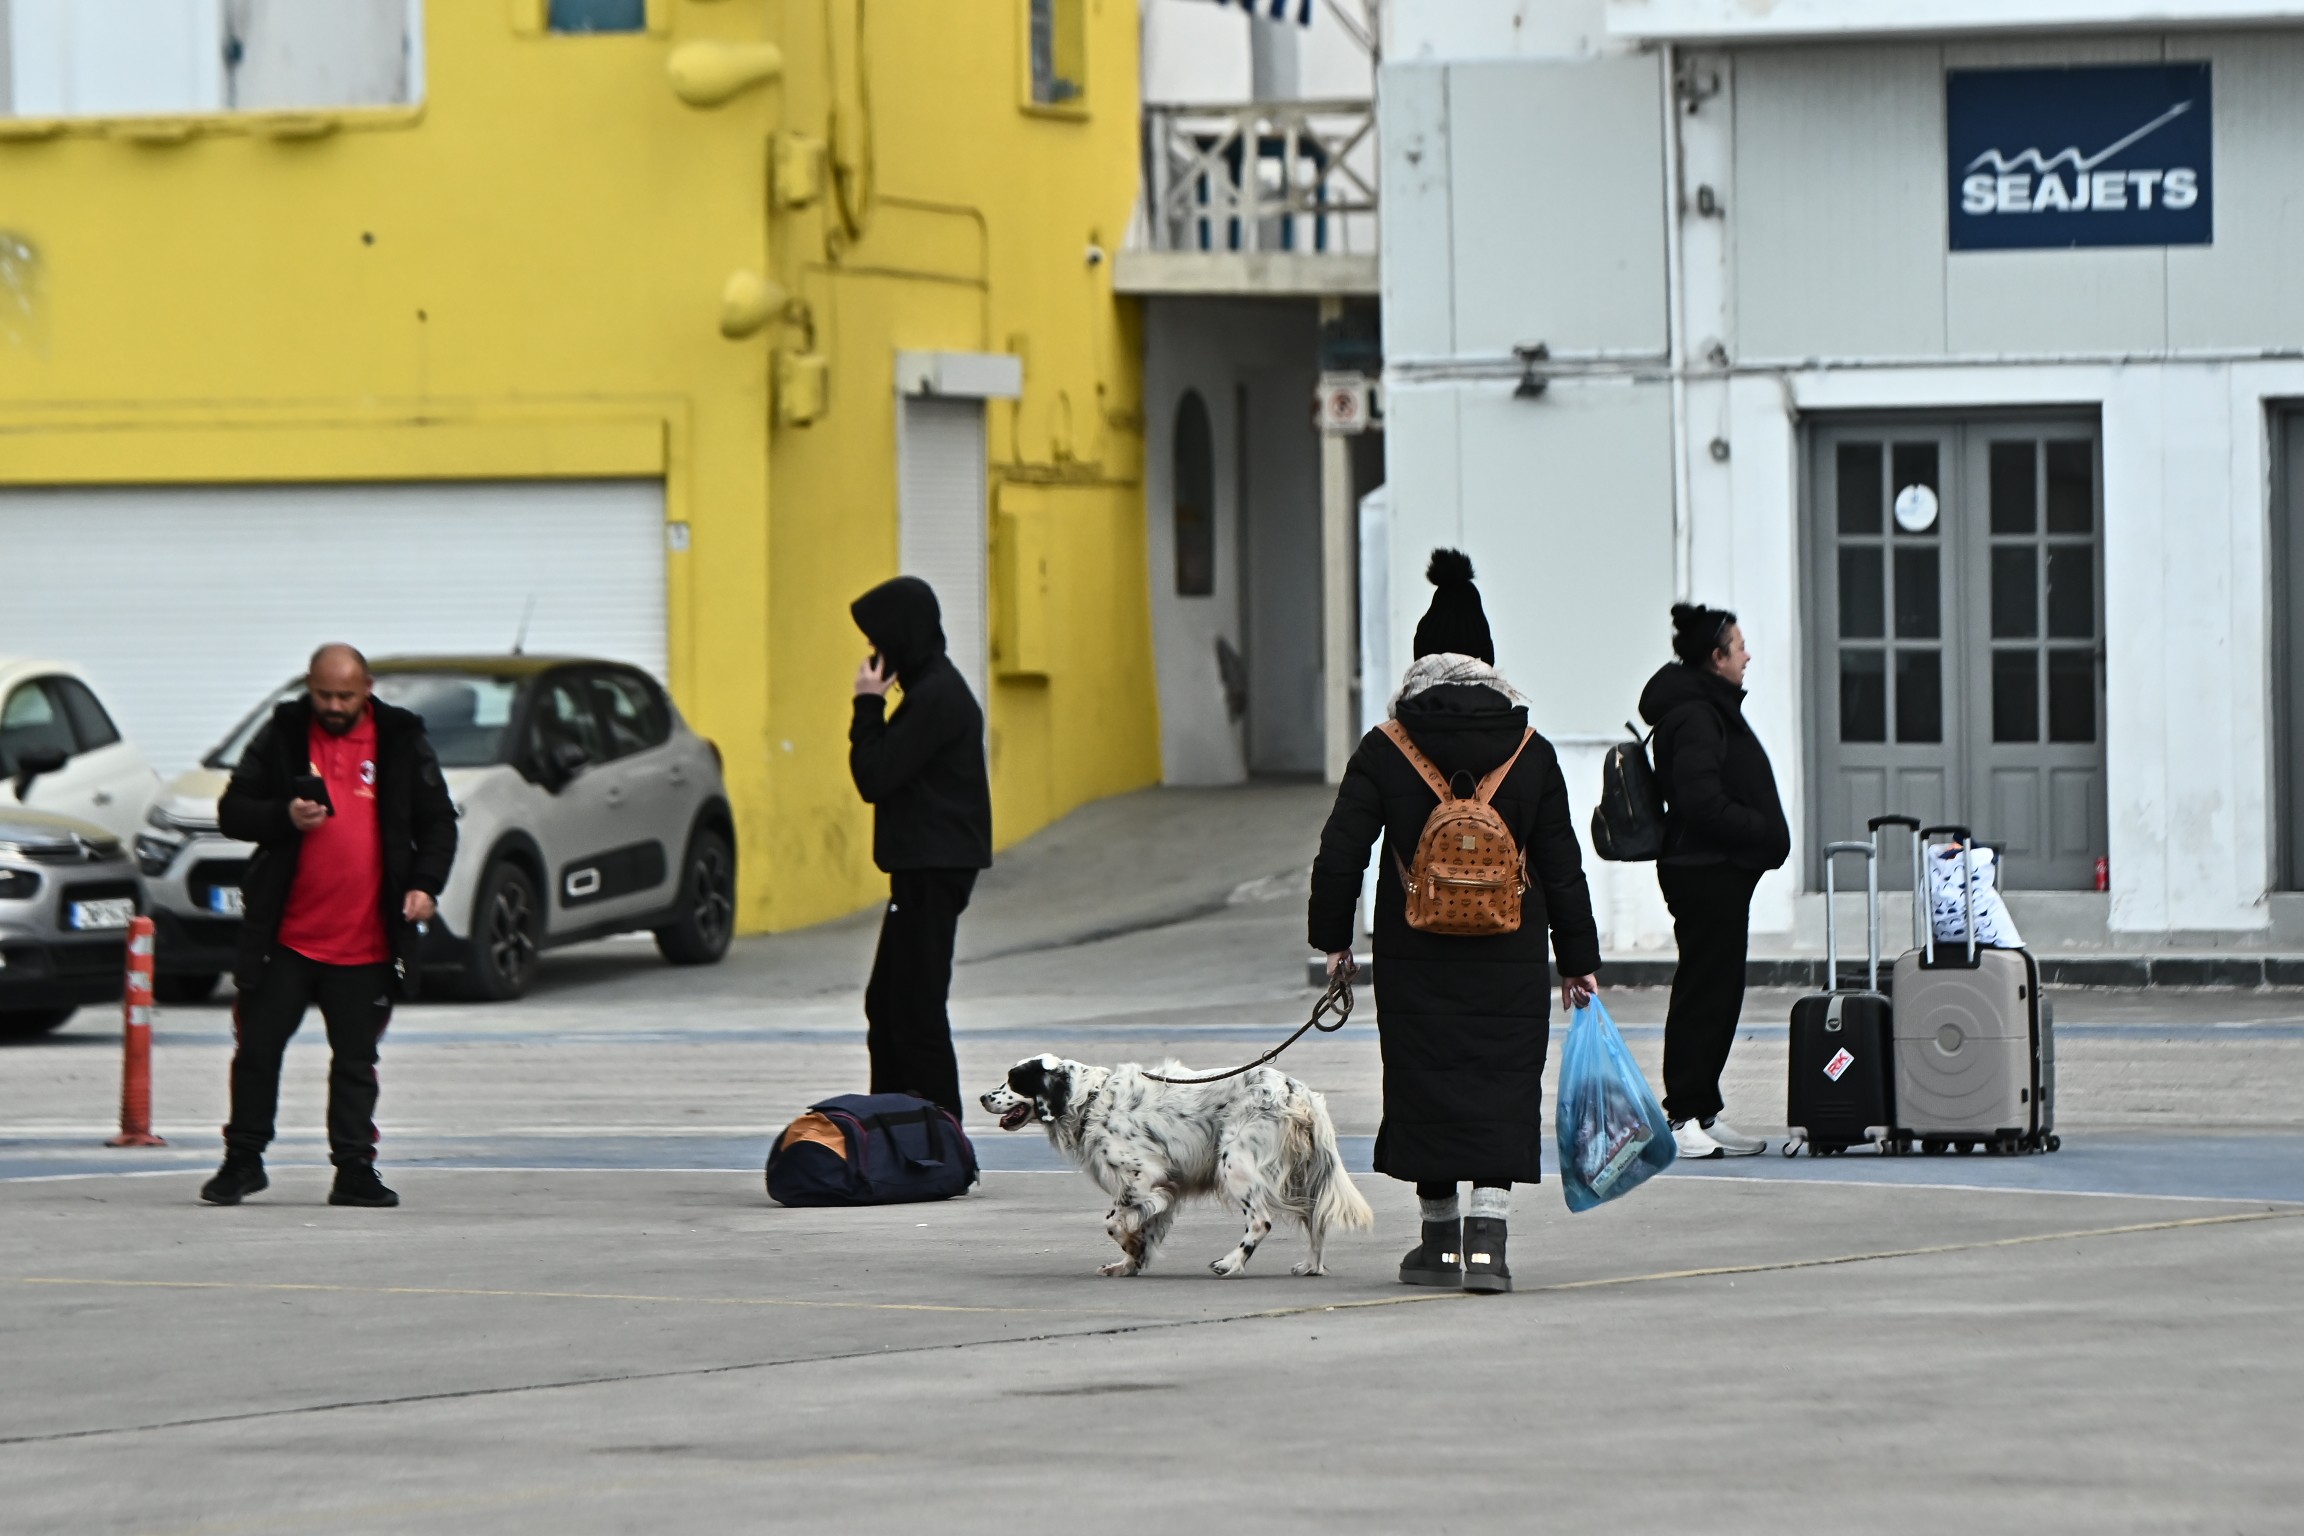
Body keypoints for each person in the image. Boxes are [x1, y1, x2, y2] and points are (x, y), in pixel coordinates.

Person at [1308, 550, 1601, 1294]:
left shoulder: (1387, 745)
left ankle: (1438, 1244)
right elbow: (1562, 864)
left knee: (1423, 1077)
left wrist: (1333, 941)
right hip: (1510, 945)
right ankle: (1489, 1245)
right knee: (1502, 1077)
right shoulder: (1531, 751)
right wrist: (1578, 960)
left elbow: (1341, 849)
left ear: (1420, 659)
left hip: (1414, 945)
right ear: (1487, 661)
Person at [200, 644, 457, 1208]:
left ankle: (354, 1170)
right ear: (309, 688)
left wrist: (424, 885)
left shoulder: (400, 738)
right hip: (285, 938)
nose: (334, 706)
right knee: (257, 1051)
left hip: (366, 942)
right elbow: (232, 810)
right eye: (323, 694)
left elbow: (439, 820)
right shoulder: (284, 731)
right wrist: (282, 816)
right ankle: (243, 1161)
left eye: (345, 695)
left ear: (366, 688)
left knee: (356, 1062)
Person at [1637, 603, 1791, 1160]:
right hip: (1705, 872)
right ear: (1716, 656)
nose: (1748, 655)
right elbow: (1700, 801)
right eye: (1739, 646)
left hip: (1719, 872)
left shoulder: (1707, 705)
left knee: (1720, 992)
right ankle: (1681, 1116)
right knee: (1705, 993)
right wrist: (1761, 830)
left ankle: (1702, 1107)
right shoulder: (1696, 714)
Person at [849, 576, 993, 1118]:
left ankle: (939, 1137)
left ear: (901, 636)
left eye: (877, 640)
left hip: (934, 868)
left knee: (915, 1010)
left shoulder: (936, 696)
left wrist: (866, 705)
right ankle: (889, 1125)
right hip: (923, 867)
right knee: (887, 1005)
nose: (871, 655)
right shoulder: (929, 690)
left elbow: (874, 775)